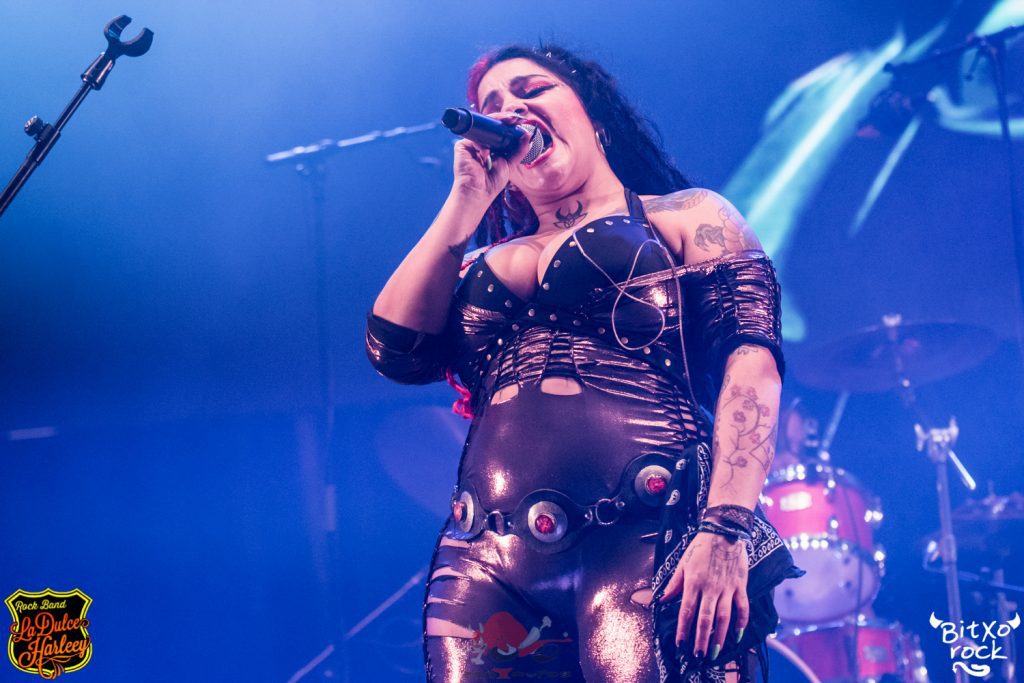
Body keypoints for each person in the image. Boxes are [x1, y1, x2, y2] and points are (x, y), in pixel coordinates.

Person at [365, 44, 801, 683]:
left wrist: (726, 528)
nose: (509, 110)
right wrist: (464, 204)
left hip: (648, 532)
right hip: (488, 560)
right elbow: (394, 350)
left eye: (530, 90)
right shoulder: (472, 263)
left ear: (593, 115)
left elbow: (751, 365)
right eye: (492, 104)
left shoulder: (688, 215)